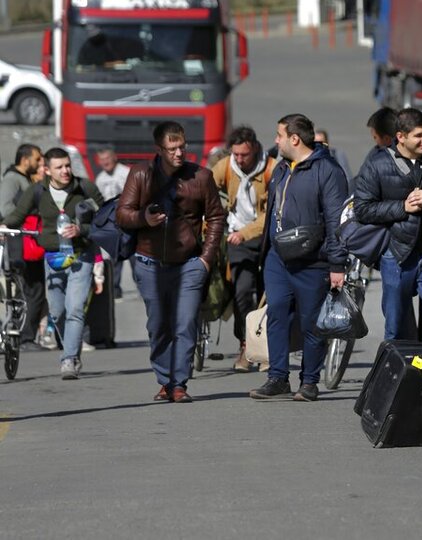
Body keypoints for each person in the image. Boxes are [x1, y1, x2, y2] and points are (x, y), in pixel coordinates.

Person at [116, 122, 226, 403]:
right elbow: (122, 214)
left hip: (189, 263)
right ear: (159, 150)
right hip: (149, 263)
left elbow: (216, 217)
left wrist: (206, 258)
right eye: (172, 149)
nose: (179, 153)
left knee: (185, 323)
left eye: (182, 147)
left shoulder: (201, 176)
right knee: (160, 325)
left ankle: (179, 384)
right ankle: (165, 380)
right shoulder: (141, 174)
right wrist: (144, 219)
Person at [248, 114, 348, 402]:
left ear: (294, 138)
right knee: (277, 313)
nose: (275, 140)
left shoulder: (328, 171)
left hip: (313, 260)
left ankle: (309, 381)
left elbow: (336, 219)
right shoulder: (281, 168)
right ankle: (277, 377)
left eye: (279, 135)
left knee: (311, 322)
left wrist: (337, 263)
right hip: (278, 258)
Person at [4, 147, 105, 379]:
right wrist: (3, 227)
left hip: (82, 255)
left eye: (67, 165)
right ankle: (72, 347)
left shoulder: (84, 187)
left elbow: (106, 217)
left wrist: (82, 229)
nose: (65, 171)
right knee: (58, 313)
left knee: (75, 309)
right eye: (59, 167)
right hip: (53, 258)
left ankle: (69, 359)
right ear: (47, 170)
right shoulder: (37, 191)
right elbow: (15, 217)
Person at [353, 108, 422, 346]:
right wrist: (402, 207)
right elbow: (362, 209)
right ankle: (397, 376)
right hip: (396, 254)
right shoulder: (376, 165)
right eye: (418, 135)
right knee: (395, 326)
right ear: (401, 137)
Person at [211, 126, 275, 372]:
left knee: (266, 293)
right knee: (242, 292)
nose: (239, 159)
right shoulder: (226, 166)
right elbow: (206, 188)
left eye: (244, 155)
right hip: (237, 239)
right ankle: (245, 345)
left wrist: (245, 233)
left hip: (264, 237)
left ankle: (265, 349)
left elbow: (269, 213)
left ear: (255, 149)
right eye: (236, 154)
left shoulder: (270, 168)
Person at [0, 143, 48, 352]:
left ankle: (27, 336)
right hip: (19, 243)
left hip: (30, 241)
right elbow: (5, 208)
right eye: (37, 159)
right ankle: (25, 338)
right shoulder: (12, 180)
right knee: (27, 289)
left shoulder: (26, 180)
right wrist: (30, 209)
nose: (39, 163)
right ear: (25, 159)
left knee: (34, 289)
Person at [93, 146, 131, 296]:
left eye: (107, 158)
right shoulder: (100, 179)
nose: (105, 162)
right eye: (102, 160)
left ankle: (143, 288)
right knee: (115, 257)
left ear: (114, 157)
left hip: (128, 221)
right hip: (112, 224)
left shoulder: (126, 173)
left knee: (134, 256)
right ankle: (115, 290)